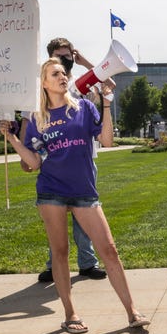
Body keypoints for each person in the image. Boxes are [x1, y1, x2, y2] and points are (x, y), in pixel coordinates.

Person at [0, 58, 149, 334]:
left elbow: (106, 141)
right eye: (55, 73)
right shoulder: (35, 119)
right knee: (60, 253)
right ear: (44, 83)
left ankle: (132, 311)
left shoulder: (84, 108)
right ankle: (70, 313)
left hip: (84, 191)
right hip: (51, 191)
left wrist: (106, 102)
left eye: (64, 72)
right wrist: (12, 139)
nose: (63, 76)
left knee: (110, 251)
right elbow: (33, 163)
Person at [30, 38, 109, 283]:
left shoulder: (77, 81)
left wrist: (83, 60)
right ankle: (53, 265)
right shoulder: (48, 82)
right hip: (55, 161)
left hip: (84, 159)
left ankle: (87, 263)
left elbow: (109, 83)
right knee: (55, 221)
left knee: (84, 216)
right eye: (59, 56)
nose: (64, 61)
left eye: (68, 56)